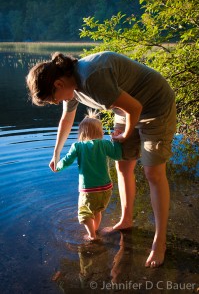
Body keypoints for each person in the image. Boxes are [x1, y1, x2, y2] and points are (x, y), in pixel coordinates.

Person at [26, 50, 176, 268]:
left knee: (153, 172)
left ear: (58, 84)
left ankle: (159, 241)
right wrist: (56, 153)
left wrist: (125, 135)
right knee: (123, 165)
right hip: (127, 108)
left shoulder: (92, 77)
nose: (57, 103)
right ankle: (126, 219)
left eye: (53, 100)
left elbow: (136, 107)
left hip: (155, 105)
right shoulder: (71, 87)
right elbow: (66, 119)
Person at [56, 110, 122, 241]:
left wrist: (57, 167)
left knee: (84, 214)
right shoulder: (105, 144)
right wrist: (116, 141)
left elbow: (67, 161)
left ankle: (92, 236)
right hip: (106, 188)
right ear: (100, 132)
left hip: (89, 190)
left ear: (81, 133)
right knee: (97, 211)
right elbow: (118, 155)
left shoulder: (77, 146)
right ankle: (95, 230)